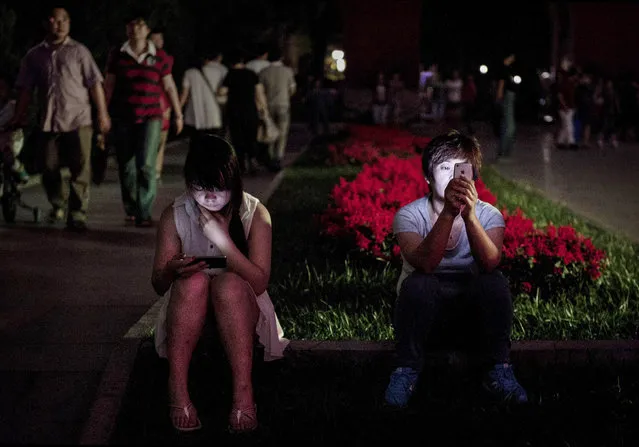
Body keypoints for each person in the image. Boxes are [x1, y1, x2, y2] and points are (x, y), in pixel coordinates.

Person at [151, 134, 289, 432]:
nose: (211, 197)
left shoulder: (254, 213)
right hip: (188, 309)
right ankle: (177, 388)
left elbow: (259, 282)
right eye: (202, 187)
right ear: (189, 183)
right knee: (194, 282)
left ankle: (243, 394)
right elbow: (159, 285)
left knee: (227, 284)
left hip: (240, 306)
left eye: (219, 187)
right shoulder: (175, 214)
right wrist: (173, 269)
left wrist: (224, 244)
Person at [384, 130, 528, 408]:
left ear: (473, 177)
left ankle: (498, 368)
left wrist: (469, 215)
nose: (453, 176)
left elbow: (489, 261)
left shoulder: (489, 215)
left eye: (460, 168)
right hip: (424, 317)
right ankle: (406, 369)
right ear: (428, 176)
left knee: (494, 281)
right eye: (444, 167)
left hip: (472, 317)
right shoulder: (409, 215)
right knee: (419, 282)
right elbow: (425, 263)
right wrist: (449, 213)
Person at [11, 7, 111, 231]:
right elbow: (25, 89)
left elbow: (95, 84)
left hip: (79, 118)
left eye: (64, 20)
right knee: (47, 166)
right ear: (48, 23)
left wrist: (102, 114)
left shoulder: (79, 51)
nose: (60, 24)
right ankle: (59, 202)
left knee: (80, 167)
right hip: (49, 120)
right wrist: (19, 115)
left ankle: (77, 213)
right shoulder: (35, 55)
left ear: (69, 23)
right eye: (55, 20)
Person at [104, 12, 183, 227]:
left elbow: (169, 86)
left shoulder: (159, 56)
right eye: (131, 25)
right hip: (123, 116)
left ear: (147, 30)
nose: (135, 29)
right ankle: (131, 208)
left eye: (140, 25)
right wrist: (103, 112)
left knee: (146, 165)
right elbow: (108, 86)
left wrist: (178, 113)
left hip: (151, 117)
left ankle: (144, 210)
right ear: (126, 29)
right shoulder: (117, 55)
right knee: (127, 165)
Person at [217, 49, 268, 175]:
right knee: (251, 137)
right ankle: (252, 159)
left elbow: (222, 91)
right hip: (250, 111)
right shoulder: (252, 74)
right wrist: (264, 109)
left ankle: (241, 164)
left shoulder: (230, 74)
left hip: (235, 112)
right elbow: (259, 93)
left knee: (237, 139)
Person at [258, 46, 296, 172]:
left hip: (268, 106)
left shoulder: (263, 72)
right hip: (283, 104)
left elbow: (260, 90)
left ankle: (269, 156)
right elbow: (292, 89)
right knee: (282, 132)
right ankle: (278, 157)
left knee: (269, 131)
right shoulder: (287, 71)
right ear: (281, 57)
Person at [179, 48, 228, 138]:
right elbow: (222, 92)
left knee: (196, 143)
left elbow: (184, 95)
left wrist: (178, 111)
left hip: (194, 115)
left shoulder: (189, 73)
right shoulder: (221, 71)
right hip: (214, 115)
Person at [149, 28, 174, 181]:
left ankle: (156, 171)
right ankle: (153, 170)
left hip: (162, 103)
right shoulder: (151, 58)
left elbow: (169, 85)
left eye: (160, 39)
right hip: (152, 104)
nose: (158, 42)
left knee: (159, 139)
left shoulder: (165, 58)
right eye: (154, 39)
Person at [0, 74, 28, 183]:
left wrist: (14, 124)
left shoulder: (12, 106)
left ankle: (19, 168)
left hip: (11, 137)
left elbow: (21, 119)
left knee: (7, 154)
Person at [496, 52, 518, 159]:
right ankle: (504, 150)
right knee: (510, 126)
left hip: (509, 97)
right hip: (507, 97)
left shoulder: (507, 69)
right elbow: (501, 83)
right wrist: (499, 97)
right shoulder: (503, 69)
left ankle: (503, 150)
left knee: (505, 125)